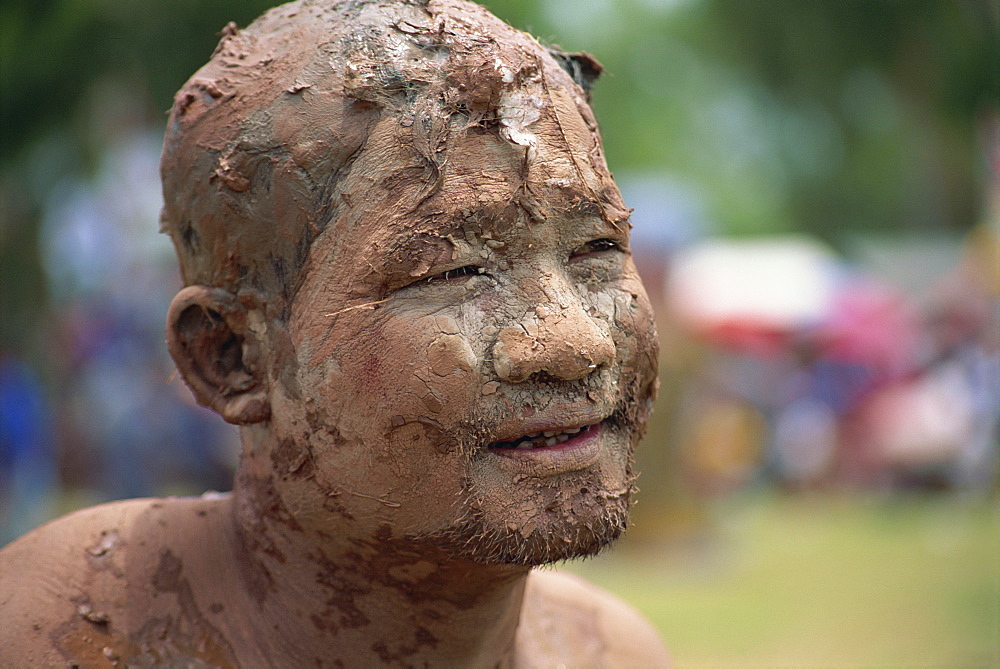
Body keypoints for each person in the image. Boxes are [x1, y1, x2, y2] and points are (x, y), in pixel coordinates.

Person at [0, 0, 668, 665]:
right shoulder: (61, 632)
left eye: (596, 251)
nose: (576, 340)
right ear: (230, 355)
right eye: (454, 272)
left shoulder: (610, 651)